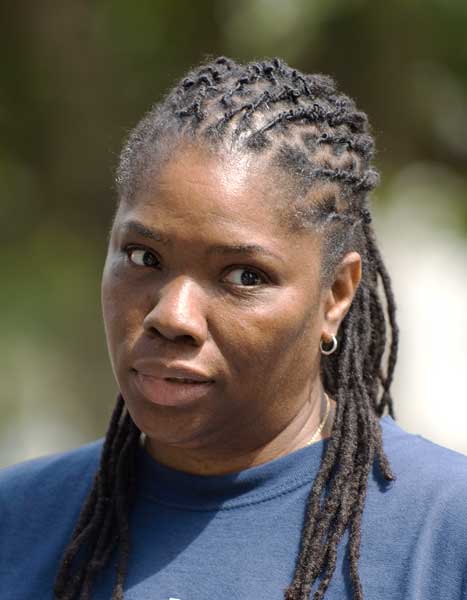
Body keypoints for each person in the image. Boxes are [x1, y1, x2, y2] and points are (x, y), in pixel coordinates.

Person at [0, 56, 466, 600]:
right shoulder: (19, 521)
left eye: (244, 275)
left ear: (335, 295)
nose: (172, 317)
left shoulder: (444, 531)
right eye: (144, 257)